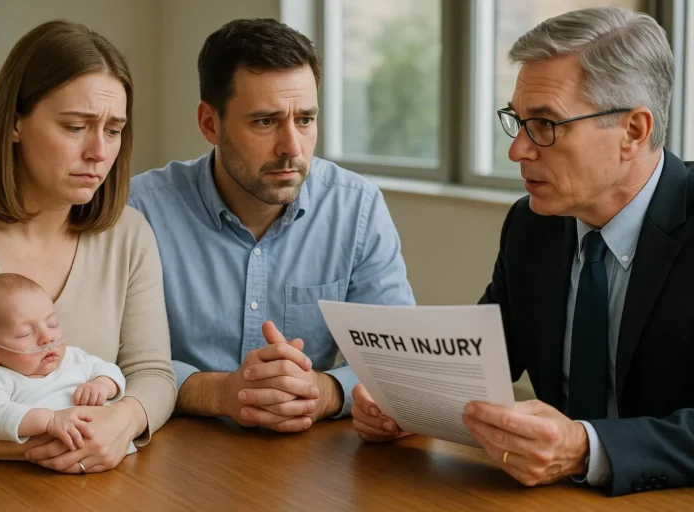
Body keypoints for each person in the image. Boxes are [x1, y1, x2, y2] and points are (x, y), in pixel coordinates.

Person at [351, 6, 694, 496]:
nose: (518, 151)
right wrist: (408, 402)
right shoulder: (530, 226)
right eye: (518, 121)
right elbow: (482, 361)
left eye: (547, 125)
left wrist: (586, 446)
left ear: (633, 132)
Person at [129, 18, 415, 433]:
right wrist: (218, 392)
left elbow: (399, 359)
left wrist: (323, 391)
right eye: (265, 121)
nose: (292, 148)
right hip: (171, 451)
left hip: (308, 459)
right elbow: (105, 357)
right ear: (210, 123)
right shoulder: (142, 211)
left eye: (305, 119)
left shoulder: (357, 208)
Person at [0, 20, 176, 473]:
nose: (99, 151)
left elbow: (154, 374)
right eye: (76, 126)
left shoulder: (129, 233)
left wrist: (123, 420)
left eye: (114, 130)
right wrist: (47, 442)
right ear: (16, 123)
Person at [0, 273, 136, 455]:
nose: (47, 337)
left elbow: (109, 369)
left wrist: (103, 384)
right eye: (25, 333)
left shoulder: (73, 357)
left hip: (116, 451)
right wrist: (49, 421)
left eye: (52, 324)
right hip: (52, 470)